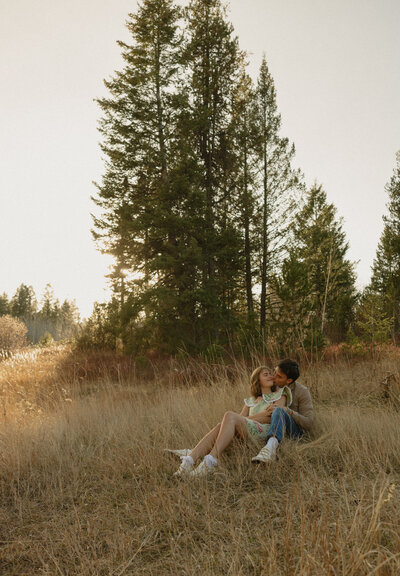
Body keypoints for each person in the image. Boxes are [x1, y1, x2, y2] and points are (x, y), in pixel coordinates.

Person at [173, 366, 292, 477]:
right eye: (266, 375)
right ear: (258, 380)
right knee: (222, 424)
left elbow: (275, 416)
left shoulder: (280, 394)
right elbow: (238, 421)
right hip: (248, 431)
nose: (271, 376)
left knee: (229, 416)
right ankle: (189, 461)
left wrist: (244, 419)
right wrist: (255, 416)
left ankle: (210, 460)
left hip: (265, 431)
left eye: (271, 374)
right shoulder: (251, 401)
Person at [252, 358, 314, 463]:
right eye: (275, 372)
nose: (274, 377)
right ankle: (269, 445)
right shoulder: (271, 386)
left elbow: (309, 423)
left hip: (292, 432)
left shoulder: (302, 392)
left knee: (279, 410)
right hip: (267, 426)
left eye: (279, 376)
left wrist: (288, 411)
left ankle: (270, 449)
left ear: (289, 380)